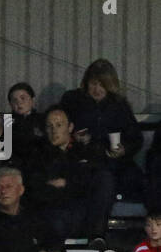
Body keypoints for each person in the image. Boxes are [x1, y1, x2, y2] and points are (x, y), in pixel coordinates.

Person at [23, 106, 113, 243]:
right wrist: (76, 183)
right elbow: (37, 188)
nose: (54, 130)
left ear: (70, 127)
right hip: (54, 213)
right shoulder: (37, 154)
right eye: (49, 126)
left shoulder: (85, 151)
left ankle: (97, 237)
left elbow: (97, 181)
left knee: (104, 179)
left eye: (59, 125)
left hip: (83, 212)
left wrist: (66, 183)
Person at [57, 59, 143, 199]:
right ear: (86, 83)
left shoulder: (119, 105)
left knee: (138, 180)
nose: (97, 89)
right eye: (93, 84)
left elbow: (136, 138)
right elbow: (57, 128)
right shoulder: (72, 100)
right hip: (82, 159)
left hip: (114, 162)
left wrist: (124, 149)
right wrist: (73, 137)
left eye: (102, 85)